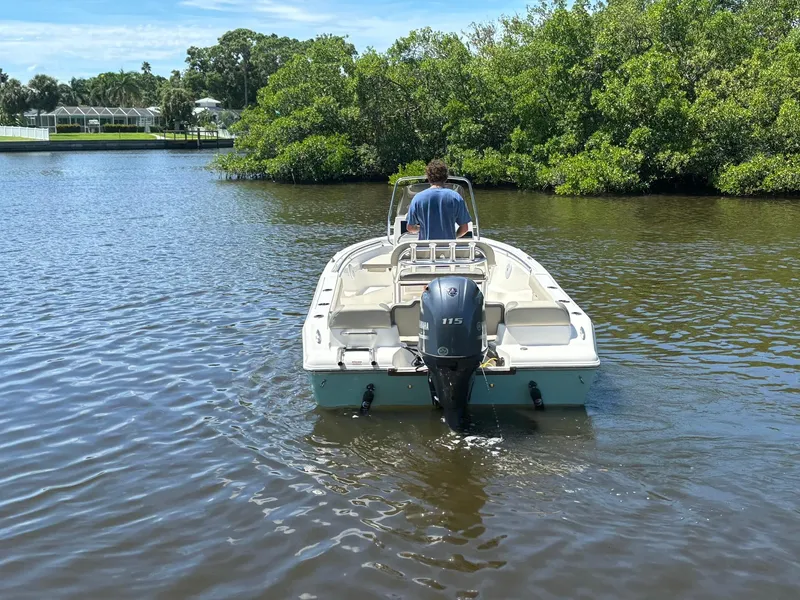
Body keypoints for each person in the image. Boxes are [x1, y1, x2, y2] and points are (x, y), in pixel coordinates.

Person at [406, 159, 471, 240]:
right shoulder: (456, 197)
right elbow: (464, 229)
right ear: (446, 177)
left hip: (425, 250)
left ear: (428, 177)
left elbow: (410, 228)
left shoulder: (417, 198)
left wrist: (419, 228)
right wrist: (454, 236)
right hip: (448, 250)